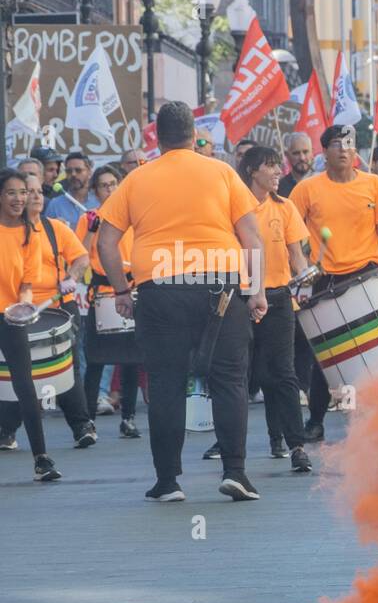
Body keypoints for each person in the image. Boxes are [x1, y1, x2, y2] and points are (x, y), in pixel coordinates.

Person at [96, 100, 267, 503]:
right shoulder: (223, 172)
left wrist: (121, 290)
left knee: (166, 384)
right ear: (194, 135)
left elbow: (105, 242)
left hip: (161, 288)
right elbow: (253, 238)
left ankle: (168, 481)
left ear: (156, 137)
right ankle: (236, 472)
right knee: (229, 381)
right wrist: (256, 290)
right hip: (221, 287)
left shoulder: (137, 179)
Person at [289, 123, 378, 442]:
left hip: (369, 275)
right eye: (336, 144)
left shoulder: (375, 184)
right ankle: (316, 419)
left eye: (349, 144)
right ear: (324, 151)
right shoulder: (307, 189)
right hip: (326, 280)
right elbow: (289, 230)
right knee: (329, 355)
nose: (344, 149)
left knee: (377, 351)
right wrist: (302, 267)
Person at [233, 145, 314, 473]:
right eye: (271, 166)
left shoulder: (286, 207)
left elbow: (297, 255)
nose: (279, 171)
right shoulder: (235, 208)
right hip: (241, 299)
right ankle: (233, 448)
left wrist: (305, 282)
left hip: (279, 298)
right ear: (252, 171)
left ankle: (296, 446)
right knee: (243, 373)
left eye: (279, 166)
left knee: (283, 373)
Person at [0, 173, 96, 450]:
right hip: (17, 312)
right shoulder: (15, 232)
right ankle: (7, 429)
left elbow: (80, 257)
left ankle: (81, 426)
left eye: (38, 191)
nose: (35, 196)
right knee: (15, 372)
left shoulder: (54, 228)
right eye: (27, 192)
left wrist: (72, 277)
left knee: (66, 367)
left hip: (56, 307)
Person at [0, 168, 62, 480]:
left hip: (9, 317)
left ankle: (42, 458)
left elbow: (27, 283)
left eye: (22, 192)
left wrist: (22, 308)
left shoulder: (30, 234)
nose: (19, 198)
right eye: (11, 192)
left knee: (25, 385)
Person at [78, 166, 142, 438]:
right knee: (96, 359)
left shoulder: (133, 216)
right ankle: (87, 421)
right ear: (95, 191)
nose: (109, 189)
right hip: (102, 292)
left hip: (130, 288)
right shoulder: (89, 218)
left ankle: (128, 417)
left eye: (114, 183)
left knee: (131, 358)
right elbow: (79, 255)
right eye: (103, 185)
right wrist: (92, 230)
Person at [46, 151, 97, 228]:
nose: (73, 174)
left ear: (89, 172)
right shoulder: (55, 205)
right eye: (69, 171)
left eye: (78, 170)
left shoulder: (99, 201)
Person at [278, 132, 315, 198]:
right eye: (296, 153)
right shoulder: (279, 187)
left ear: (312, 152)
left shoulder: (324, 182)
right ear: (287, 155)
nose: (302, 158)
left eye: (305, 152)